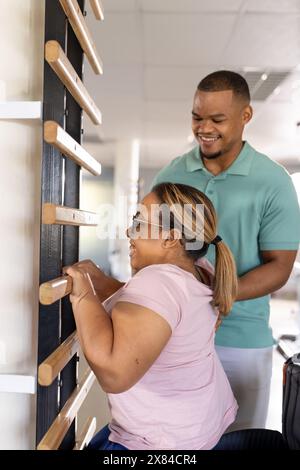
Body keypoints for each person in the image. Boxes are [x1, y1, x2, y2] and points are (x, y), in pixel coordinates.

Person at [151, 70, 300, 430]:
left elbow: (279, 266)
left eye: (217, 119)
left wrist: (223, 291)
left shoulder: (273, 181)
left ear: (245, 116)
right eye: (197, 117)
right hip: (176, 336)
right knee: (177, 440)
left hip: (243, 344)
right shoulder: (173, 175)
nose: (204, 128)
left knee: (241, 441)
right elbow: (152, 248)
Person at [64, 182, 238, 450]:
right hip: (194, 431)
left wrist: (83, 292)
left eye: (138, 222)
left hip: (159, 443)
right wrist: (106, 284)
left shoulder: (157, 280)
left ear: (170, 238)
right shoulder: (201, 269)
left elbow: (114, 374)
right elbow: (163, 312)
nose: (128, 232)